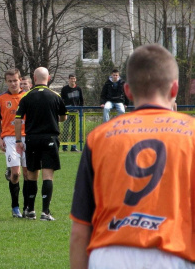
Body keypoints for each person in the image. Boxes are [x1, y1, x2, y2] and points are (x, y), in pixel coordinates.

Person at [69, 44, 195, 268]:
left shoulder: (99, 137)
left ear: (127, 91)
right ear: (174, 89)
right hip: (174, 253)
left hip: (109, 255)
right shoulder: (191, 134)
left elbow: (80, 228)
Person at [15, 67, 67, 221]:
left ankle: (30, 210)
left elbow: (18, 120)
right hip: (50, 138)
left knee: (32, 174)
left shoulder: (26, 97)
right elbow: (63, 117)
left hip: (32, 139)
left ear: (34, 78)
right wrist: (51, 119)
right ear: (48, 78)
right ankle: (45, 212)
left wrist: (18, 140)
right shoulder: (56, 96)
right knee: (48, 175)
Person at [0, 68, 30, 218]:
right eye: (10, 81)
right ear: (6, 82)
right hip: (9, 138)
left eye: (15, 80)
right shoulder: (1, 98)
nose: (13, 83)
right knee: (16, 174)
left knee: (28, 174)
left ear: (20, 80)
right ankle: (15, 207)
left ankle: (28, 207)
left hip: (27, 137)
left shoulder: (28, 96)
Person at [60, 74, 84, 152]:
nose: (72, 80)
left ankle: (73, 147)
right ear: (69, 79)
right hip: (67, 112)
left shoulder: (78, 89)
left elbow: (81, 100)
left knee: (75, 129)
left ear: (75, 79)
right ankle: (64, 146)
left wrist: (80, 110)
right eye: (71, 79)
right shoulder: (64, 89)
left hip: (76, 112)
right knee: (66, 129)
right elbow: (61, 100)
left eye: (74, 79)